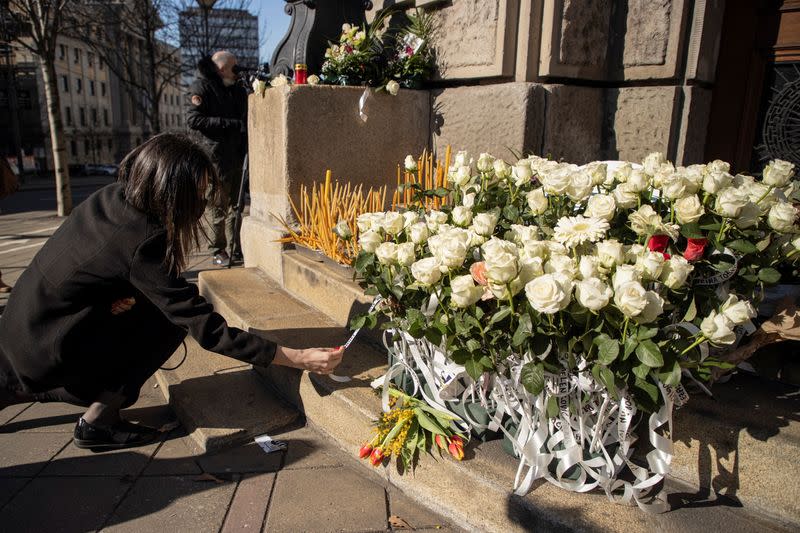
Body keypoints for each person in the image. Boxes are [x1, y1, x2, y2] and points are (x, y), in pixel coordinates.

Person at [0, 134, 343, 450]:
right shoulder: (142, 239)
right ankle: (98, 422)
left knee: (156, 305)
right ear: (171, 190)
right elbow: (204, 327)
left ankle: (20, 388)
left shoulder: (112, 198)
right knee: (169, 322)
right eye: (199, 192)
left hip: (26, 332)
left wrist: (113, 300)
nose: (203, 202)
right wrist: (294, 357)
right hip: (50, 351)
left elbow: (81, 273)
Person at [186, 50, 248, 267]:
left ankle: (235, 248)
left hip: (235, 156)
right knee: (218, 208)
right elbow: (194, 119)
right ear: (221, 69)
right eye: (233, 67)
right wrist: (229, 124)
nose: (236, 71)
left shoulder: (234, 89)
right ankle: (217, 250)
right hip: (215, 158)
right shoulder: (202, 87)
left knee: (236, 207)